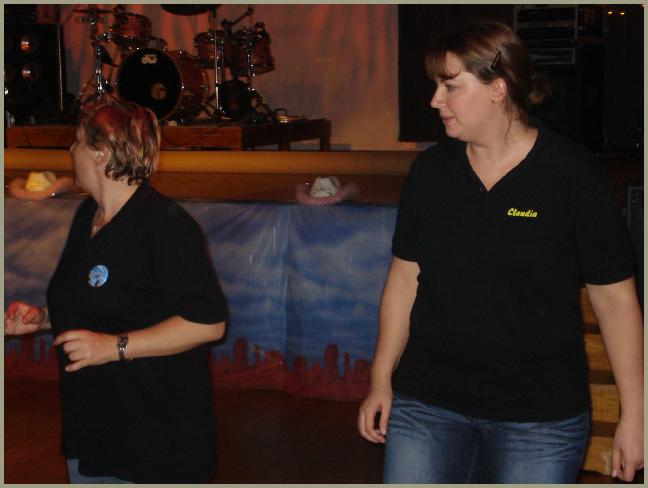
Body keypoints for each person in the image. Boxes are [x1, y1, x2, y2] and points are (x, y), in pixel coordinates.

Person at [357, 21, 643, 483]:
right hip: (427, 405)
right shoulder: (431, 172)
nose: (435, 100)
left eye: (450, 86)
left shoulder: (571, 174)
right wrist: (381, 378)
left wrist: (636, 414)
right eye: (436, 86)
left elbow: (615, 300)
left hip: (539, 417)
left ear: (498, 89)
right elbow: (404, 280)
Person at [4, 94, 228, 483]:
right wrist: (41, 318)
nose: (71, 151)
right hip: (93, 434)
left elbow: (208, 323)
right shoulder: (86, 217)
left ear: (101, 153)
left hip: (157, 442)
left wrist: (114, 347)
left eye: (77, 141)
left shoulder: (166, 228)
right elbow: (94, 301)